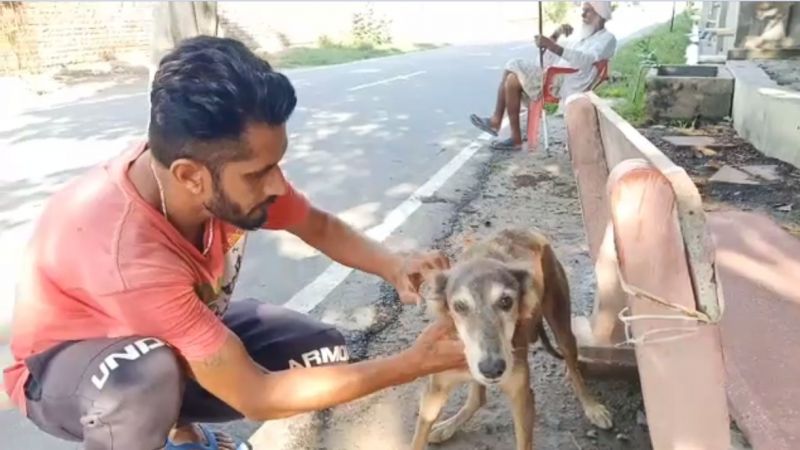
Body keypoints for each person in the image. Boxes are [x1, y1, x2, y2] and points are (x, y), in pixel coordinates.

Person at [3, 36, 466, 450]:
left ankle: (183, 432)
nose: (279, 186)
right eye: (260, 172)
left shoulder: (214, 181)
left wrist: (393, 266)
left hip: (160, 332)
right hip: (64, 370)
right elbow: (257, 395)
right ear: (191, 177)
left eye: (277, 164)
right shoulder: (126, 254)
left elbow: (318, 226)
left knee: (320, 350)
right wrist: (412, 363)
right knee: (144, 380)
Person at [470, 1, 618, 151]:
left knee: (513, 63)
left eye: (588, 11)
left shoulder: (607, 39)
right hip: (555, 76)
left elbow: (586, 61)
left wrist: (552, 45)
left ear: (600, 15)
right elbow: (543, 61)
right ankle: (514, 138)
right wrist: (555, 35)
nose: (583, 14)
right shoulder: (582, 39)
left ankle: (497, 122)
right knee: (512, 80)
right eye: (583, 10)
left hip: (565, 81)